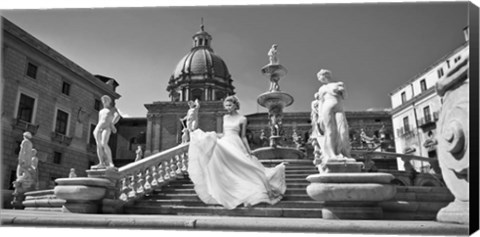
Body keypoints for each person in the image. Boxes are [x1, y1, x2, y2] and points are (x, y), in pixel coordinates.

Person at [188, 95, 286, 209]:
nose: (227, 108)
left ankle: (259, 189)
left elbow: (243, 136)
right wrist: (212, 136)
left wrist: (249, 151)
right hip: (225, 142)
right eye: (226, 105)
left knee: (249, 167)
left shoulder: (242, 119)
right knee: (221, 162)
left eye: (230, 105)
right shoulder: (224, 117)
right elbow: (223, 133)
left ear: (235, 105)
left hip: (236, 143)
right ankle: (228, 190)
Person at [314, 69, 351, 163]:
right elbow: (321, 102)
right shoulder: (321, 89)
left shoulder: (339, 84)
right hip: (327, 109)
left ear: (326, 75)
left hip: (339, 108)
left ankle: (343, 153)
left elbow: (345, 97)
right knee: (330, 131)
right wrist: (320, 116)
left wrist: (343, 91)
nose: (320, 79)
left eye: (320, 77)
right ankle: (332, 154)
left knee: (343, 130)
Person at [93, 95, 120, 168]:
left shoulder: (113, 109)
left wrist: (112, 124)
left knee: (104, 143)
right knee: (99, 145)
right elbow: (99, 120)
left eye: (105, 100)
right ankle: (101, 162)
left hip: (107, 127)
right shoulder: (101, 111)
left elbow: (117, 116)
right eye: (103, 100)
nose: (104, 101)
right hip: (98, 128)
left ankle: (110, 162)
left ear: (109, 101)